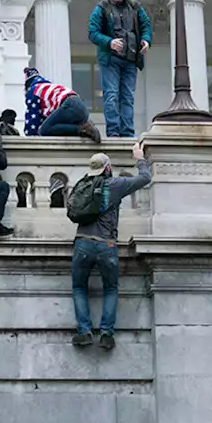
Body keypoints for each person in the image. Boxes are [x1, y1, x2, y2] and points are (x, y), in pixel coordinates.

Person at [70, 144, 151, 351]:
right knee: (110, 288)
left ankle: (84, 332)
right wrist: (139, 158)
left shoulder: (83, 185)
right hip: (106, 244)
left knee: (79, 287)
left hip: (82, 242)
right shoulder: (115, 184)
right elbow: (145, 178)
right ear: (107, 168)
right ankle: (106, 334)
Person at [88, 0, 152, 138]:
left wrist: (146, 40)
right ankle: (114, 132)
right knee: (111, 95)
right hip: (111, 60)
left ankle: (128, 132)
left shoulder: (135, 6)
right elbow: (93, 33)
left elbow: (146, 25)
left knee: (127, 97)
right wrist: (109, 42)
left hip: (131, 59)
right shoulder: (101, 9)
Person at [23, 67, 101, 142]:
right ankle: (86, 129)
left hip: (70, 104)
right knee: (55, 128)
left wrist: (31, 137)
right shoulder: (49, 87)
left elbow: (32, 118)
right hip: (81, 107)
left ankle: (83, 129)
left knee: (44, 130)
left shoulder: (34, 90)